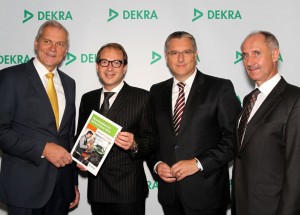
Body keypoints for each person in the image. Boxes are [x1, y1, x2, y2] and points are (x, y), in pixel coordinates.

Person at [149, 31, 241, 215]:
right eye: (174, 53)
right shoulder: (156, 91)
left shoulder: (220, 88)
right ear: (166, 57)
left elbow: (234, 140)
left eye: (187, 52)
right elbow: (151, 138)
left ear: (196, 54)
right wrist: (157, 163)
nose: (180, 58)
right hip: (170, 196)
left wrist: (198, 163)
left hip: (208, 196)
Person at [0, 20, 79, 215]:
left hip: (61, 189)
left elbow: (68, 136)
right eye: (47, 41)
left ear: (66, 50)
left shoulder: (69, 83)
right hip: (24, 189)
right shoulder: (10, 77)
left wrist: (73, 182)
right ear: (36, 43)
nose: (53, 48)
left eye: (60, 44)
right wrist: (42, 148)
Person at [76, 43, 158, 215]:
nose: (110, 68)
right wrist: (80, 159)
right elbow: (81, 137)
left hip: (128, 191)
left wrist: (134, 144)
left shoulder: (142, 97)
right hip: (97, 190)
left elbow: (153, 140)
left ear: (125, 67)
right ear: (97, 66)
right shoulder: (88, 98)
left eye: (116, 62)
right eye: (104, 62)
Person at [232, 31, 300, 215]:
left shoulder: (295, 99)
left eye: (256, 53)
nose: (249, 61)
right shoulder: (248, 100)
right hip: (242, 204)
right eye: (245, 55)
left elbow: (296, 171)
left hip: (272, 208)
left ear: (275, 54)